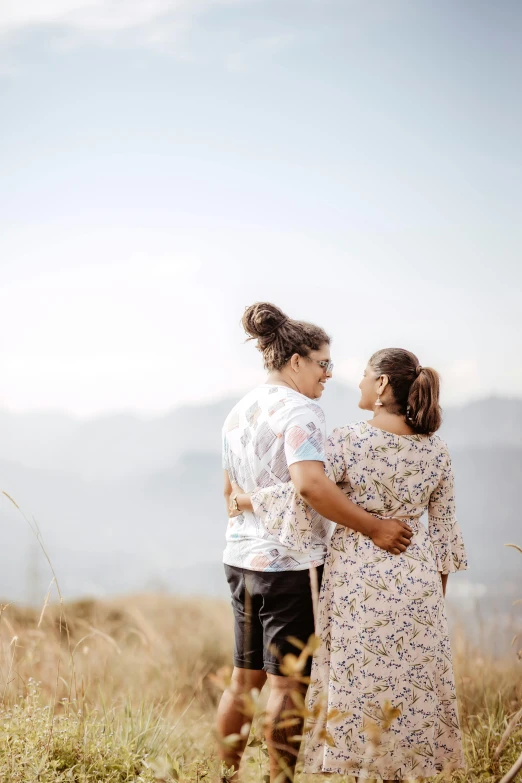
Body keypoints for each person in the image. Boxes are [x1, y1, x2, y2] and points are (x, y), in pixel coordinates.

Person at [234, 347, 468, 781]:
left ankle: (352, 771)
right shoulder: (438, 451)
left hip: (358, 579)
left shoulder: (347, 440)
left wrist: (246, 499)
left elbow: (307, 494)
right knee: (412, 688)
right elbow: (446, 536)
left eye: (364, 375)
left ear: (381, 386)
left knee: (354, 681)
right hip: (417, 579)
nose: (358, 382)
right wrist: (434, 598)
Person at [217, 305, 414, 783]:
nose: (330, 374)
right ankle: (279, 780)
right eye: (324, 363)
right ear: (296, 361)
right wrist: (373, 526)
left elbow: (230, 496)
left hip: (241, 559)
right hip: (291, 565)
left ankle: (220, 776)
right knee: (288, 684)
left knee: (244, 680)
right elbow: (310, 484)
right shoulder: (302, 411)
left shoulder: (239, 410)